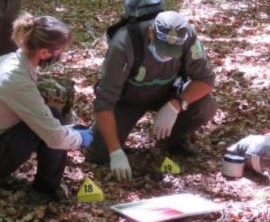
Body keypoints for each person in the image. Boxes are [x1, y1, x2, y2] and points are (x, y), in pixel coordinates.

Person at [0, 13, 92, 202]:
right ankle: (44, 191)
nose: (60, 55)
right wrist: (83, 138)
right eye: (59, 51)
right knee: (52, 119)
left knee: (50, 118)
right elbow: (55, 138)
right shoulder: (16, 80)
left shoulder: (9, 60)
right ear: (44, 52)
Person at [85, 10, 217, 183]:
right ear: (151, 32)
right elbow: (104, 102)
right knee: (99, 153)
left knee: (205, 106)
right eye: (163, 48)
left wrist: (176, 104)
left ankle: (173, 139)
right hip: (128, 99)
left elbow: (207, 80)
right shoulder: (124, 44)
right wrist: (115, 151)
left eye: (172, 51)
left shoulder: (188, 38)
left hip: (168, 93)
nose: (166, 54)